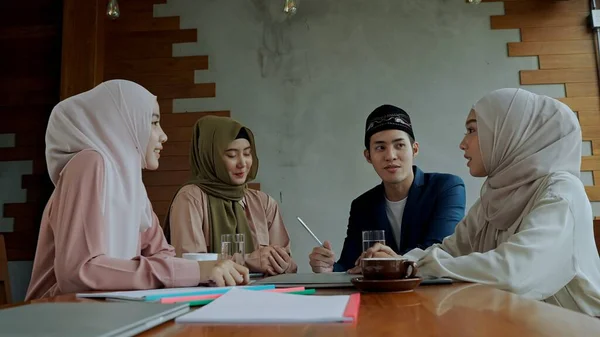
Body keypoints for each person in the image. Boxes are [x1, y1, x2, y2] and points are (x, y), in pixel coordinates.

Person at [362, 88, 600, 316]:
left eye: (472, 130)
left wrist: (414, 267)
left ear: (509, 133)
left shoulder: (561, 192)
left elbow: (513, 272)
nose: (463, 143)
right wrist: (400, 261)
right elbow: (450, 250)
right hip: (520, 323)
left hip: (579, 327)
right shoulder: (495, 196)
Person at [25, 80, 248, 301]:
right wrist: (196, 271)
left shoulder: (131, 185)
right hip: (56, 316)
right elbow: (79, 272)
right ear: (122, 123)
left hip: (102, 312)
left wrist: (203, 270)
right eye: (153, 123)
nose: (163, 135)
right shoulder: (88, 163)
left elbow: (162, 254)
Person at [309, 104, 466, 273]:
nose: (390, 156)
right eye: (380, 148)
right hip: (379, 298)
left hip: (435, 294)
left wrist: (392, 262)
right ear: (368, 156)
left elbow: (439, 251)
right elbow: (350, 266)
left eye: (399, 145)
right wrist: (328, 268)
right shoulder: (362, 205)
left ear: (414, 149)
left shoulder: (447, 188)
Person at [164, 116, 298, 276]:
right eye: (232, 155)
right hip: (210, 299)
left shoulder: (264, 203)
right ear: (211, 157)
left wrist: (284, 264)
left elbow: (289, 266)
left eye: (247, 154)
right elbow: (189, 266)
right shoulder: (191, 198)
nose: (242, 163)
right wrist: (247, 261)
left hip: (263, 297)